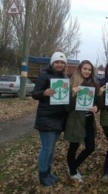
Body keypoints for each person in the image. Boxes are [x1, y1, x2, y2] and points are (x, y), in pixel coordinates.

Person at [32, 51, 68, 186]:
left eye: (62, 62)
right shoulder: (44, 75)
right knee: (47, 148)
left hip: (59, 118)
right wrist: (44, 93)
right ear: (52, 63)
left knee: (52, 147)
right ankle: (42, 175)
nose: (59, 64)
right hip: (46, 117)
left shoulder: (65, 77)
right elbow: (34, 94)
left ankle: (48, 172)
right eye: (57, 62)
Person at [64, 60, 99, 183]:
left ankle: (72, 167)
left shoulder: (93, 84)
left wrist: (96, 107)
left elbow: (96, 102)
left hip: (89, 119)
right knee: (74, 145)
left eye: (89, 69)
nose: (87, 71)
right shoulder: (71, 83)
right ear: (80, 69)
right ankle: (73, 172)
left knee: (90, 147)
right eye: (85, 69)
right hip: (75, 120)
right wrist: (73, 93)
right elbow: (67, 107)